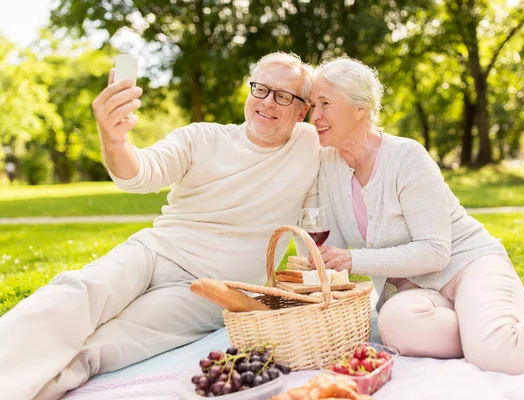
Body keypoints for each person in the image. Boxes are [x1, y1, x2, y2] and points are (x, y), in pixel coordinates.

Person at [0, 52, 319, 400]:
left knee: (105, 346)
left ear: (301, 110)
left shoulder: (309, 148)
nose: (267, 102)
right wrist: (116, 141)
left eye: (283, 96)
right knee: (75, 293)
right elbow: (140, 174)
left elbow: (313, 228)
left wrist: (317, 284)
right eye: (260, 89)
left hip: (207, 289)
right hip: (153, 251)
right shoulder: (201, 137)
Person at [308, 56, 524, 375]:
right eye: (312, 105)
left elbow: (435, 252)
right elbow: (333, 250)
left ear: (359, 107)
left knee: (493, 353)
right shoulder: (328, 164)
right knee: (394, 325)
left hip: (469, 267)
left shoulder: (406, 157)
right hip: (418, 293)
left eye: (325, 103)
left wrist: (353, 260)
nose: (315, 115)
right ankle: (497, 328)